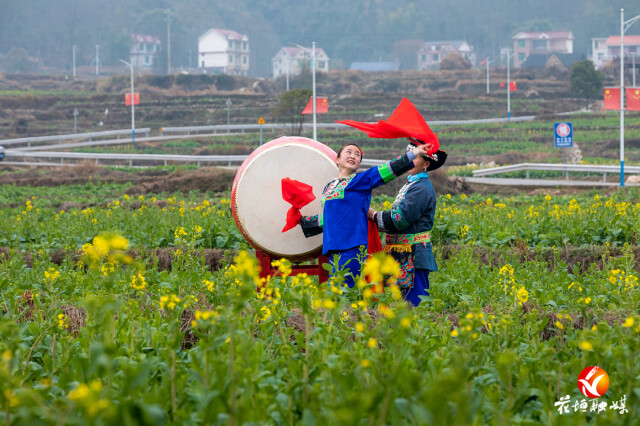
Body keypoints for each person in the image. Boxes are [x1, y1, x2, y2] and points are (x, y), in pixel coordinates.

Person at [299, 142, 432, 288]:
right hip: (332, 247)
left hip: (351, 246)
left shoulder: (361, 181)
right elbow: (330, 218)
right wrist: (301, 221)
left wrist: (413, 153)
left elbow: (386, 170)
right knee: (336, 292)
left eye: (357, 155)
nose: (353, 156)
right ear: (337, 159)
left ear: (358, 165)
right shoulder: (329, 188)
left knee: (346, 292)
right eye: (348, 152)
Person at [368, 145, 447, 306]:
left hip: (413, 255)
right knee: (399, 306)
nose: (410, 160)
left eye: (415, 157)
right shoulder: (412, 184)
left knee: (414, 305)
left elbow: (401, 219)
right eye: (410, 156)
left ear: (426, 164)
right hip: (402, 253)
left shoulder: (422, 188)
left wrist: (375, 216)